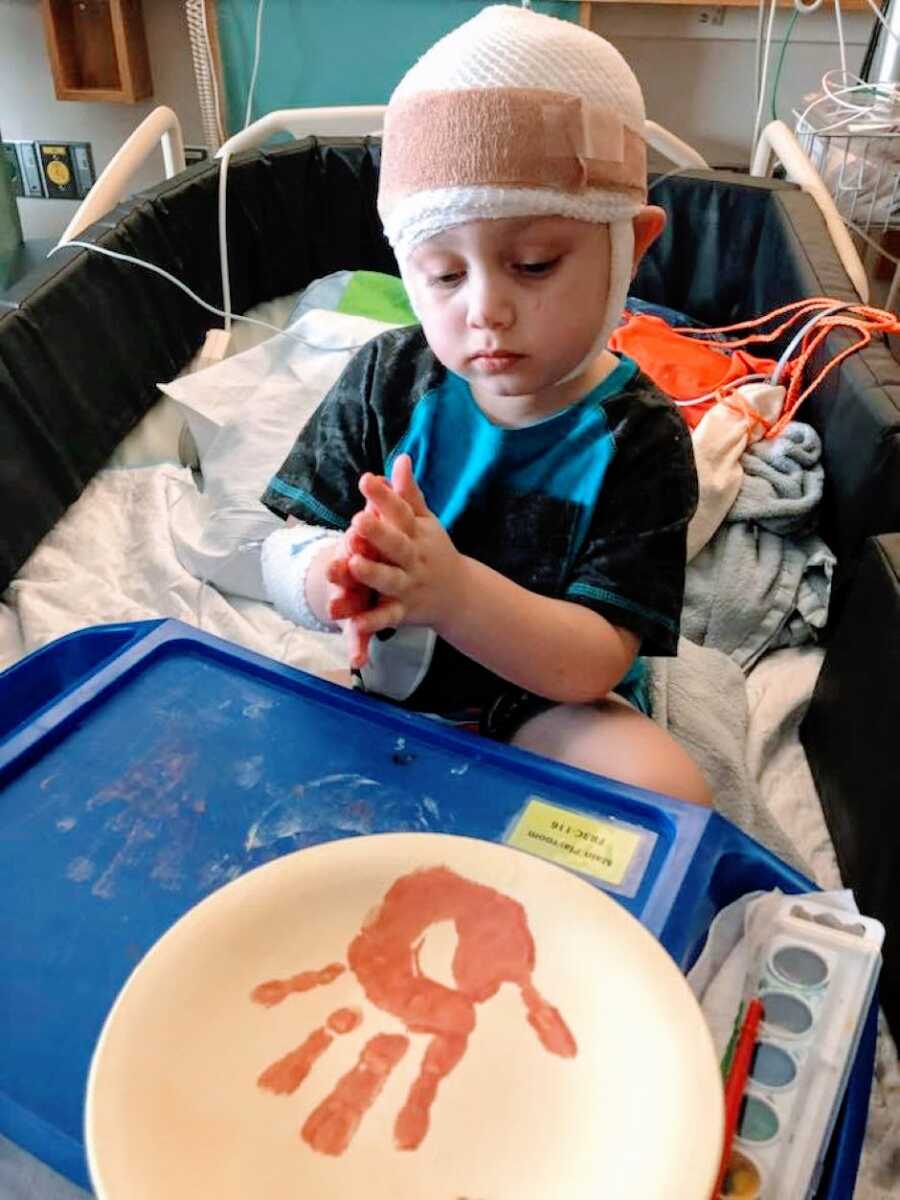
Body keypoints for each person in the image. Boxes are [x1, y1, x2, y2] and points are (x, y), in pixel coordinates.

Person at [260, 4, 710, 807]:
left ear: (630, 248)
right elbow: (282, 547)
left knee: (668, 793)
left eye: (533, 265)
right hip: (390, 686)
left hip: (548, 707)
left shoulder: (640, 434)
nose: (486, 310)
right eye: (443, 274)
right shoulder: (387, 378)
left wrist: (455, 594)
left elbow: (596, 660)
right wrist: (330, 576)